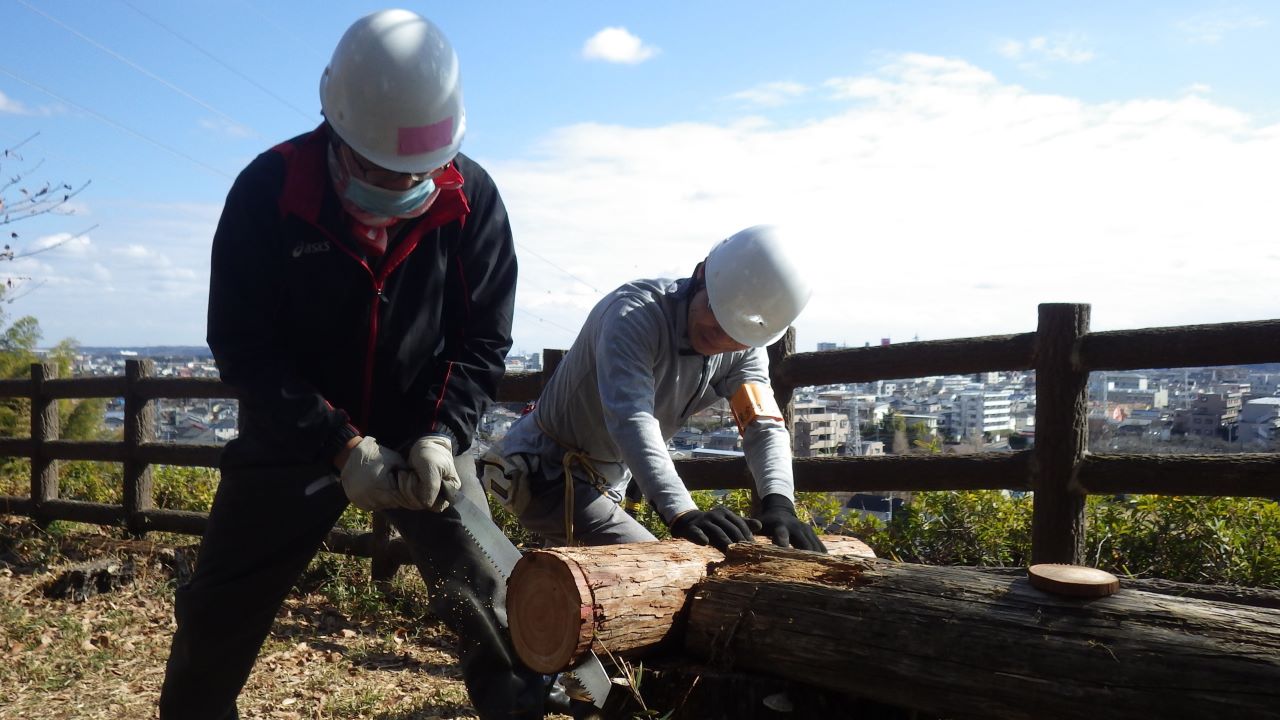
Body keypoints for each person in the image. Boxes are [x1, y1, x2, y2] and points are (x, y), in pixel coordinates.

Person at [159, 10, 548, 719]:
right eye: (379, 169)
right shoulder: (270, 192)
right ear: (337, 126)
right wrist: (337, 444)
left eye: (420, 171)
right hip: (294, 435)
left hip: (420, 428)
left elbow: (481, 339)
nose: (401, 188)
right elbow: (243, 345)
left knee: (489, 605)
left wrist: (441, 433)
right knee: (219, 615)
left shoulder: (473, 199)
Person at [483, 225, 828, 553]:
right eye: (715, 313)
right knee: (659, 569)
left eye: (736, 334)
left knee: (573, 596)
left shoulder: (744, 347)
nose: (721, 337)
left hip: (607, 483)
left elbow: (761, 423)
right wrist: (682, 513)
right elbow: (632, 418)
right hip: (549, 472)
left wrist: (779, 503)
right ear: (699, 274)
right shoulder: (634, 316)